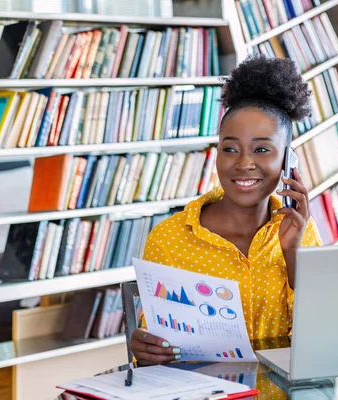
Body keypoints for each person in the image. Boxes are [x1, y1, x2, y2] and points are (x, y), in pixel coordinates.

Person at [130, 55, 323, 366]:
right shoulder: (170, 238)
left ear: (289, 159)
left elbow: (322, 334)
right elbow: (155, 341)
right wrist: (148, 347)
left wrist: (292, 252)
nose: (243, 164)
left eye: (262, 149)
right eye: (230, 149)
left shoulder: (302, 231)